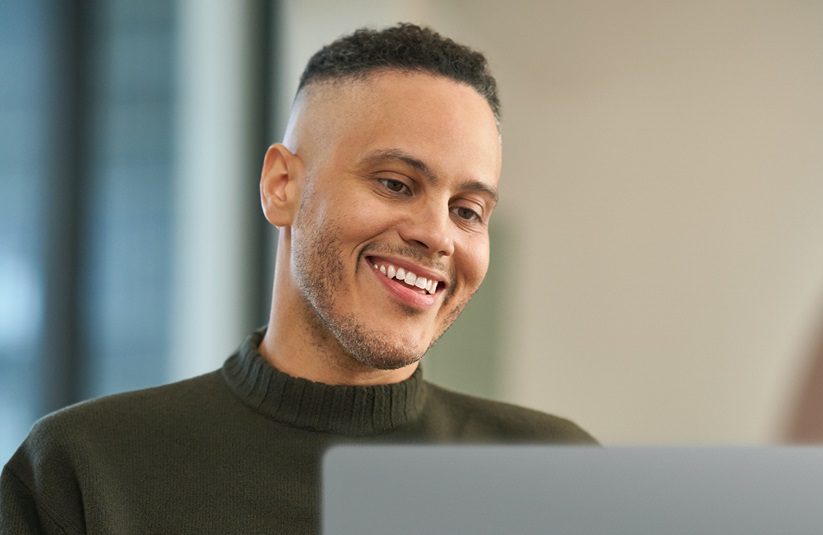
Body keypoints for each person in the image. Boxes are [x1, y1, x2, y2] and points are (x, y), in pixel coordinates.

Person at [0, 23, 595, 534]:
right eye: (395, 183)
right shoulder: (83, 472)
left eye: (467, 210)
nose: (437, 235)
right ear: (282, 185)